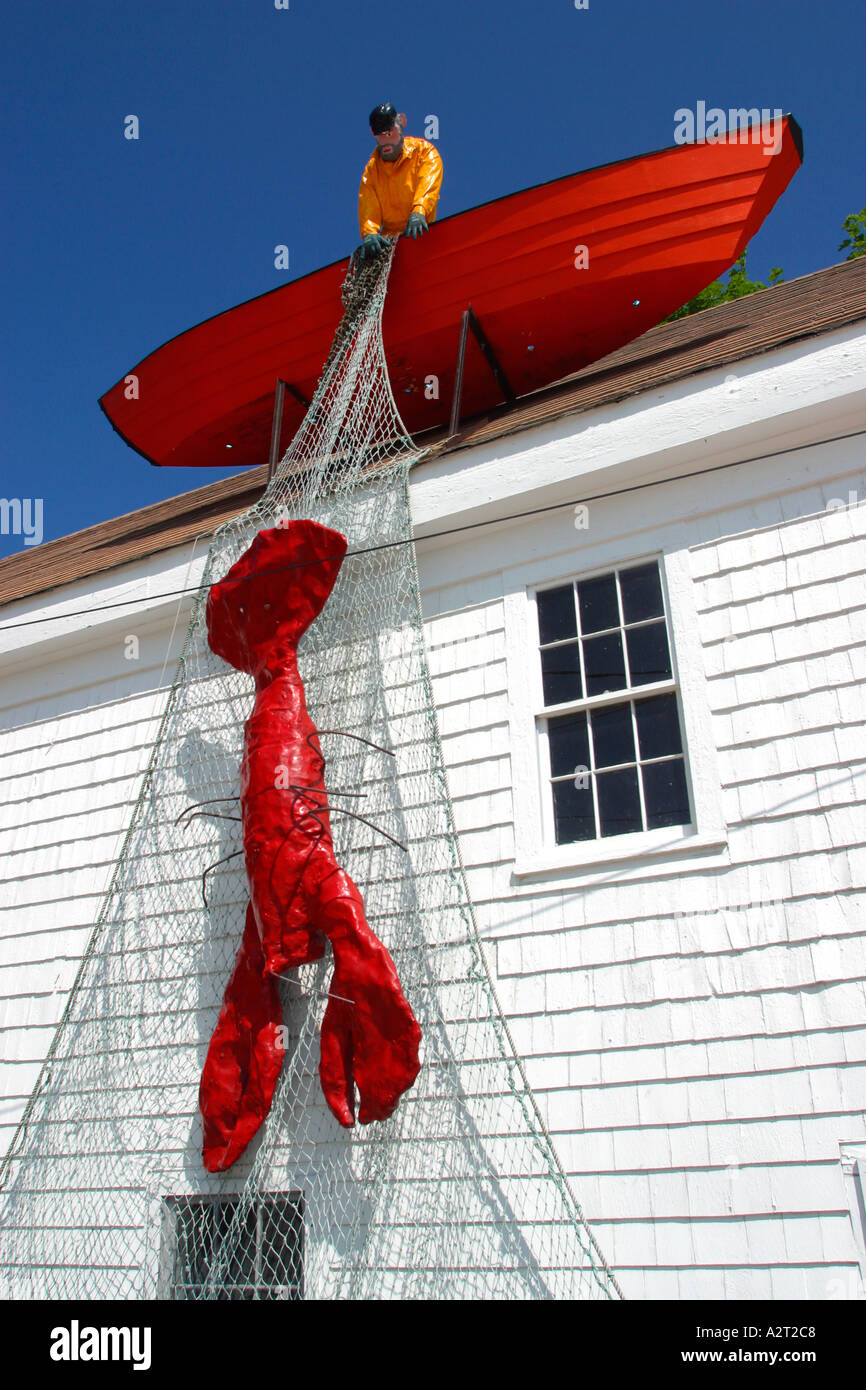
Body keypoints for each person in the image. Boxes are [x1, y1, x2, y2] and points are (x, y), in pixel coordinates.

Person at [357, 103, 443, 259]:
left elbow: (428, 184)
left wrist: (419, 211)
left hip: (422, 233)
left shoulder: (424, 152)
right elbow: (368, 205)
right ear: (373, 133)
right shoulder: (371, 172)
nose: (385, 139)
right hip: (390, 246)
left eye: (390, 131)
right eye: (380, 134)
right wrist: (369, 233)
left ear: (401, 121)